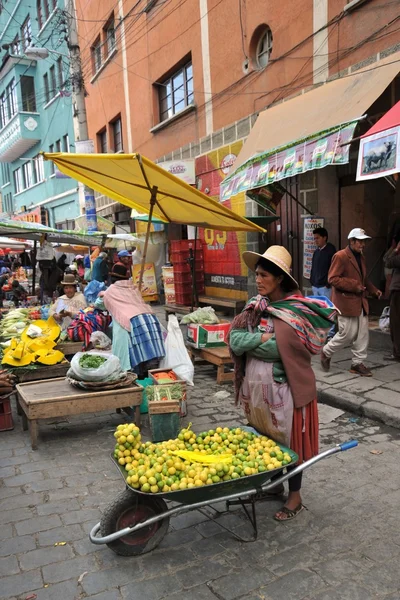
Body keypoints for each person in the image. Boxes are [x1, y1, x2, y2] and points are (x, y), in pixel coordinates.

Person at [229, 246, 335, 521]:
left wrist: (253, 345)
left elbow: (280, 350)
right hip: (258, 391)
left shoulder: (295, 312)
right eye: (257, 275)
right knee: (268, 441)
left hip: (286, 391)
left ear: (279, 279)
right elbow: (234, 340)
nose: (258, 280)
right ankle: (275, 487)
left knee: (291, 445)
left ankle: (295, 497)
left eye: (264, 275)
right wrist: (260, 340)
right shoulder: (255, 307)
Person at [321, 228, 382, 377]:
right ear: (352, 241)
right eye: (360, 241)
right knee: (347, 334)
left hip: (360, 301)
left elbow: (363, 278)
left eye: (364, 241)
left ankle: (357, 363)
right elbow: (333, 278)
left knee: (362, 334)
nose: (362, 244)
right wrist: (354, 285)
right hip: (345, 302)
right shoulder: (340, 256)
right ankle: (326, 352)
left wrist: (373, 290)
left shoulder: (361, 257)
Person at [97, 279, 165, 376]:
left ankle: (138, 374)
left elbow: (99, 304)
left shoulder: (111, 290)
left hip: (132, 321)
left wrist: (102, 294)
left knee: (132, 352)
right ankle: (148, 371)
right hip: (149, 318)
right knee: (148, 353)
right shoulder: (133, 288)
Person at [310, 227, 336, 340]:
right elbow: (313, 268)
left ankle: (330, 333)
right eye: (314, 238)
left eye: (318, 238)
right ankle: (321, 332)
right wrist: (312, 280)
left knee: (328, 310)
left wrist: (328, 283)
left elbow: (334, 268)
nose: (316, 240)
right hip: (315, 285)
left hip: (325, 287)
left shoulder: (331, 251)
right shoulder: (316, 252)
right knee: (318, 310)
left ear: (325, 237)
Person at [384, 233, 400, 362]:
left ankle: (397, 353)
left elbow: (388, 261)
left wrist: (396, 249)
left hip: (398, 291)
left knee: (395, 323)